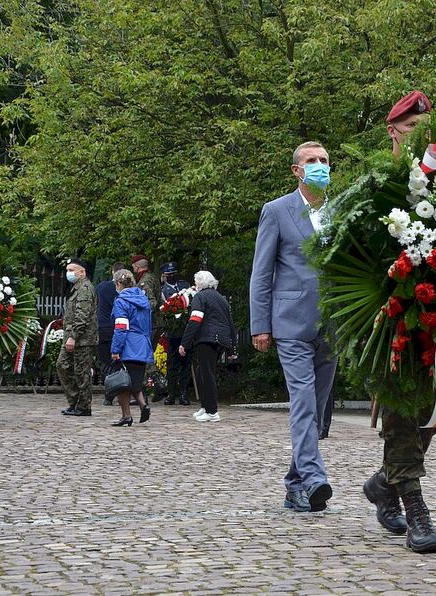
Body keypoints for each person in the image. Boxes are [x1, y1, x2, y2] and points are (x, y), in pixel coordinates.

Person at [364, 91, 436, 554]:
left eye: (428, 129)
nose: (423, 138)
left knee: (428, 417)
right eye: (415, 130)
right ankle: (416, 512)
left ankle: (383, 484)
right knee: (399, 416)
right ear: (394, 131)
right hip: (390, 323)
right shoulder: (379, 185)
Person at [250, 140, 336, 515]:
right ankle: (315, 477)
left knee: (315, 411)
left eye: (324, 161)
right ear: (296, 171)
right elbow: (261, 272)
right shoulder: (277, 211)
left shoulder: (339, 211)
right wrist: (260, 325)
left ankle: (295, 485)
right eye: (312, 161)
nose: (319, 165)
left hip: (332, 325)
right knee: (302, 404)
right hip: (290, 323)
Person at [180, 271, 237, 423]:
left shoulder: (200, 297)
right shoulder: (221, 298)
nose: (195, 285)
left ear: (200, 283)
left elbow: (195, 320)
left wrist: (184, 343)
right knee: (201, 372)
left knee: (207, 373)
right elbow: (230, 323)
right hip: (221, 339)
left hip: (207, 338)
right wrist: (232, 347)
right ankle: (205, 406)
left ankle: (212, 411)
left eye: (196, 282)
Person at [109, 269, 153, 426]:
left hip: (128, 344)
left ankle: (127, 414)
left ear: (119, 284)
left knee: (121, 382)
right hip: (142, 344)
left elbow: (121, 327)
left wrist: (115, 349)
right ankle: (142, 405)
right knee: (134, 380)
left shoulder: (121, 301)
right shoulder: (144, 299)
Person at [58, 258, 98, 417]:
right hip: (73, 337)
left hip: (82, 339)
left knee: (82, 372)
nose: (69, 273)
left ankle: (83, 406)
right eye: (68, 270)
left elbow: (83, 315)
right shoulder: (77, 288)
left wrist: (73, 337)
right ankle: (75, 401)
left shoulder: (85, 289)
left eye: (72, 270)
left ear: (82, 272)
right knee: (62, 366)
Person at [159, 261, 192, 406]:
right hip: (172, 331)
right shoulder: (163, 290)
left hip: (185, 330)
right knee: (172, 363)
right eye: (168, 275)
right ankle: (171, 393)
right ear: (164, 276)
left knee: (186, 362)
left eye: (173, 274)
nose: (171, 277)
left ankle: (184, 394)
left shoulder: (185, 286)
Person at [97, 261, 126, 405]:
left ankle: (109, 394)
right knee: (118, 362)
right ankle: (119, 390)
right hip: (120, 328)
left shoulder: (102, 287)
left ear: (112, 271)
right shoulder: (128, 290)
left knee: (105, 362)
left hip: (103, 328)